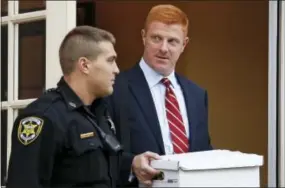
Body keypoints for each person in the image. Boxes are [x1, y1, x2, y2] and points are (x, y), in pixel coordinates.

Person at [106, 4, 213, 187]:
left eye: (172, 41)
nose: (164, 48)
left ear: (184, 45)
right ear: (143, 37)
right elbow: (99, 153)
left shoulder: (197, 95)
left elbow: (204, 151)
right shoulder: (114, 89)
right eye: (156, 38)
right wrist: (131, 165)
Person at [7, 26, 123, 188]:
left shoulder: (99, 111)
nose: (116, 69)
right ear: (85, 65)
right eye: (110, 60)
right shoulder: (45, 117)